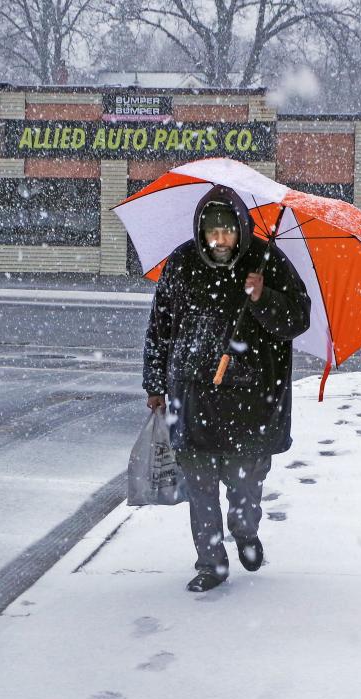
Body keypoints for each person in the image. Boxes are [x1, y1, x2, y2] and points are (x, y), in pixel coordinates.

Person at [143, 185, 311, 592]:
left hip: (251, 403)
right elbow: (160, 326)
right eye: (211, 233)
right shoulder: (182, 263)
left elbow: (297, 319)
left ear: (240, 228)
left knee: (245, 490)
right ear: (201, 231)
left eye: (227, 232)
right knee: (200, 490)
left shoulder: (266, 260)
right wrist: (154, 383)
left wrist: (262, 295)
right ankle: (211, 564)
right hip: (193, 396)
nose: (219, 241)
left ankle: (245, 532)